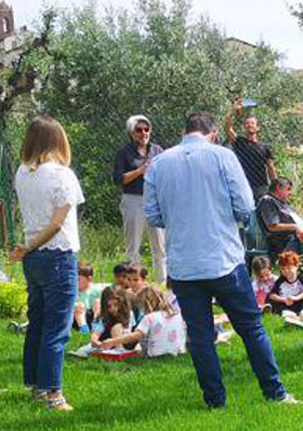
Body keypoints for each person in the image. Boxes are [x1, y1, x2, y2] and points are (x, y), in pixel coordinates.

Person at [143, 111, 295, 407]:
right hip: (223, 258)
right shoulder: (222, 157)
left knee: (200, 336)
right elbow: (245, 205)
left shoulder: (160, 163)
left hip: (184, 264)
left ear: (185, 131)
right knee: (251, 328)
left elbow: (153, 215)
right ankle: (274, 392)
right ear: (213, 133)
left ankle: (214, 400)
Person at [9, 116, 86, 411]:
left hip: (34, 260)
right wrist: (30, 245)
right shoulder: (62, 175)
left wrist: (27, 248)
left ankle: (35, 385)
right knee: (57, 328)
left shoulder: (22, 173)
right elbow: (57, 224)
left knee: (38, 322)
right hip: (57, 255)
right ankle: (53, 393)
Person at [112, 114, 167, 283]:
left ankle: (162, 284)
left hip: (154, 200)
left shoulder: (157, 150)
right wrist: (140, 171)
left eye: (146, 129)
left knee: (160, 246)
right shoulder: (124, 153)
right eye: (139, 130)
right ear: (132, 132)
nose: (143, 133)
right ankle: (133, 284)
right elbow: (118, 179)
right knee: (133, 246)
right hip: (133, 200)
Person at [94, 286, 187, 357]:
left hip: (155, 354)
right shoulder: (177, 316)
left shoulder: (149, 318)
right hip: (178, 352)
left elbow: (135, 336)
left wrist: (113, 341)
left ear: (147, 304)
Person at [224, 99, 277, 202]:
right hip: (243, 185)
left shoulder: (265, 147)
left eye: (252, 123)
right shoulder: (240, 142)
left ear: (257, 128)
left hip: (261, 187)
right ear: (244, 127)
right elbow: (227, 127)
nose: (249, 125)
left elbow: (270, 168)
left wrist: (275, 187)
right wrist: (233, 111)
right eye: (247, 123)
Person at [257, 178, 303, 259]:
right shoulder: (268, 201)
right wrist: (295, 227)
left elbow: (296, 220)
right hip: (283, 240)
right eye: (288, 189)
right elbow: (272, 226)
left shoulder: (283, 204)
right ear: (278, 188)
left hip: (301, 236)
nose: (290, 193)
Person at [267, 250, 303, 315]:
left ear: (296, 266)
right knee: (276, 304)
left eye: (289, 268)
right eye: (283, 269)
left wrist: (297, 297)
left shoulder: (301, 278)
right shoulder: (281, 280)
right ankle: (288, 314)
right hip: (286, 304)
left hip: (300, 302)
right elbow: (272, 295)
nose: (286, 271)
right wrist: (284, 299)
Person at [74, 262, 105, 334]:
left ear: (89, 279)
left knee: (98, 302)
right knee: (79, 306)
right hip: (79, 317)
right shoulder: (73, 292)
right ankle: (84, 329)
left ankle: (96, 325)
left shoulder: (96, 290)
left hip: (93, 314)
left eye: (78, 279)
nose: (75, 282)